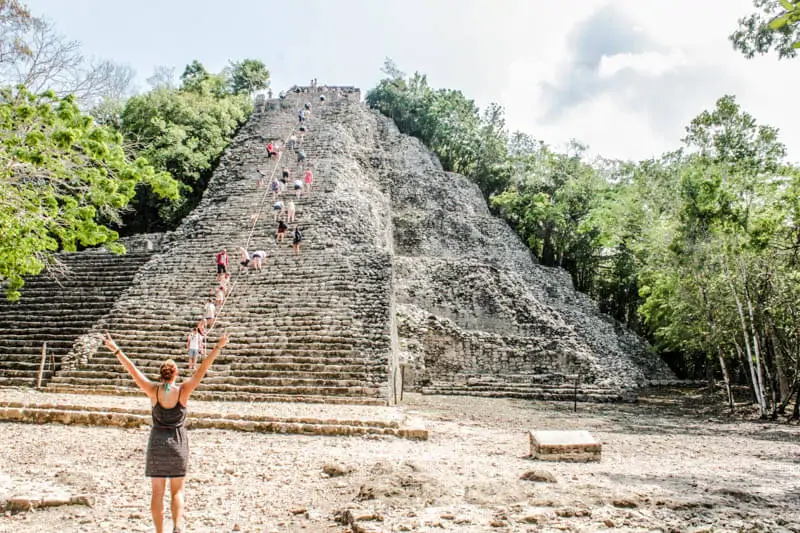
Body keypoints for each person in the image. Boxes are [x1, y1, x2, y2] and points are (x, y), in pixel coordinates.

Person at [102, 330, 230, 533]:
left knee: (157, 493)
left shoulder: (153, 391)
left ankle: (160, 532)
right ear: (175, 374)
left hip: (157, 445)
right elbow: (203, 368)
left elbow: (133, 370)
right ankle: (178, 525)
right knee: (177, 490)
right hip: (178, 443)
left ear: (161, 374)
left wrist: (116, 350)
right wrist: (218, 346)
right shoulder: (183, 391)